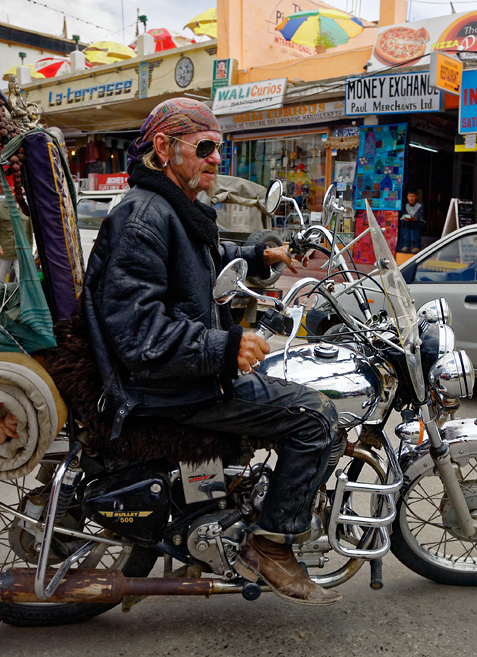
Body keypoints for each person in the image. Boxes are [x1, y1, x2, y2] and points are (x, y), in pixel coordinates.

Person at [83, 98, 344, 605]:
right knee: (316, 417)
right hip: (163, 385)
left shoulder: (170, 207)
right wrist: (223, 347)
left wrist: (258, 254)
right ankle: (272, 543)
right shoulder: (145, 216)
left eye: (218, 149)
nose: (215, 159)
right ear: (163, 148)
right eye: (204, 148)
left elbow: (204, 258)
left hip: (175, 373)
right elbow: (138, 333)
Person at [0, 197, 32, 282]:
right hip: (4, 250)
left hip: (21, 251)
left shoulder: (26, 208)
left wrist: (30, 249)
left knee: (24, 280)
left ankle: (20, 295)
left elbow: (29, 231)